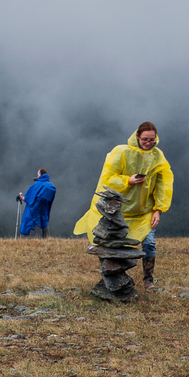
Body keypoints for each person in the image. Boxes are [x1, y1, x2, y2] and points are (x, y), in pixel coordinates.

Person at [72, 122, 173, 301]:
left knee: (149, 244)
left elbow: (162, 185)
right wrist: (128, 180)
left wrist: (158, 210)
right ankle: (114, 281)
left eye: (152, 140)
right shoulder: (122, 152)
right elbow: (108, 179)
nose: (149, 143)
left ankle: (148, 281)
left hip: (144, 213)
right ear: (137, 137)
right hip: (120, 213)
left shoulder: (158, 156)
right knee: (114, 247)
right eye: (145, 139)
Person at [19, 169, 57, 237]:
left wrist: (22, 198)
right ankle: (46, 237)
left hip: (36, 206)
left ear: (39, 175)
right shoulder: (50, 185)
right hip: (45, 206)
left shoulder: (37, 185)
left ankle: (37, 237)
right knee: (44, 220)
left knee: (37, 220)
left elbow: (29, 198)